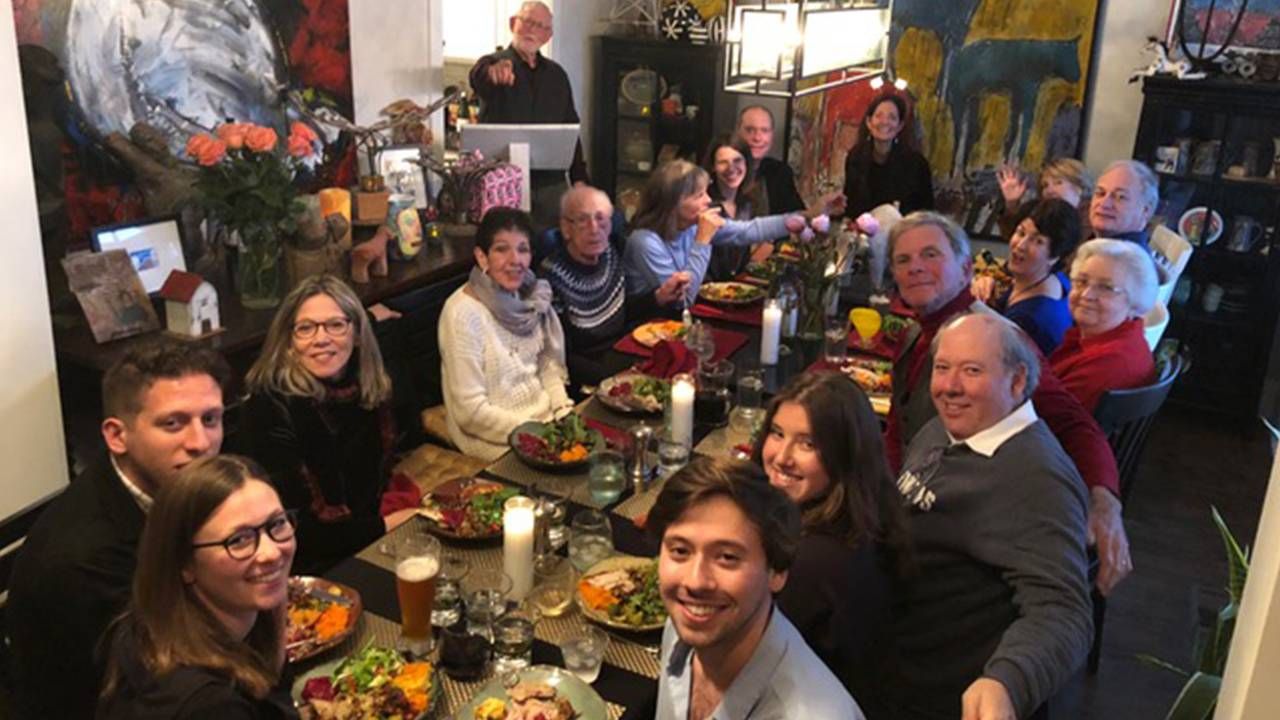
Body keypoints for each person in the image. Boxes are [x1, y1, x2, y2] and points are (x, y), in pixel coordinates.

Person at [884, 211, 1132, 597]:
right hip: (907, 501)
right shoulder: (916, 331)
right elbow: (899, 430)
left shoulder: (998, 340)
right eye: (903, 260)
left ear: (966, 268)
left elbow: (1072, 422)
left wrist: (1104, 502)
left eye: (930, 255)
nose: (915, 267)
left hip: (954, 539)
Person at [873, 313, 1091, 720]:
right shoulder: (948, 428)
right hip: (889, 644)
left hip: (932, 689)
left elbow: (1064, 612)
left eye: (972, 371)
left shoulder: (1036, 480)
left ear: (1018, 381)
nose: (950, 387)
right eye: (942, 368)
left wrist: (1006, 680)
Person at [7, 341, 228, 720]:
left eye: (210, 419)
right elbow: (161, 680)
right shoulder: (83, 560)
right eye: (172, 423)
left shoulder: (169, 483)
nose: (201, 443)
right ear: (116, 436)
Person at [649, 457, 866, 720]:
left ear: (777, 572)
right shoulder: (684, 626)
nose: (695, 582)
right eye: (680, 551)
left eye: (727, 557)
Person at [97, 455, 298, 719]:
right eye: (238, 540)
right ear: (184, 564)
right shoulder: (209, 706)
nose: (270, 552)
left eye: (277, 523)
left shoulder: (150, 625)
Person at [241, 275, 418, 573]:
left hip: (365, 542)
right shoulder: (269, 408)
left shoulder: (367, 389)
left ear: (357, 333)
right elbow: (294, 530)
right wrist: (387, 525)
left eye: (335, 325)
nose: (321, 338)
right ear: (288, 341)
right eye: (305, 328)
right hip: (303, 565)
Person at [751, 372, 909, 699]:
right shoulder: (867, 510)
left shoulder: (813, 561)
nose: (782, 457)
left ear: (844, 453)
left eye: (808, 444)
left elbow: (745, 658)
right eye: (777, 434)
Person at [440, 207, 572, 460]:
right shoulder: (462, 314)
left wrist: (563, 410)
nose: (515, 260)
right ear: (482, 257)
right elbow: (470, 413)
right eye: (502, 249)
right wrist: (534, 433)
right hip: (494, 441)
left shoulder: (530, 296)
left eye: (523, 249)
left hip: (545, 426)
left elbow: (546, 364)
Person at [540, 185, 684, 385]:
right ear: (566, 228)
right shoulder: (550, 279)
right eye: (582, 220)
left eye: (601, 219)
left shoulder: (611, 253)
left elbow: (619, 311)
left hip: (622, 351)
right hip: (590, 372)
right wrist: (613, 379)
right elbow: (562, 355)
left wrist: (658, 297)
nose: (594, 229)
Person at [625, 160, 805, 308]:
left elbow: (747, 230)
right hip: (647, 329)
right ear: (673, 205)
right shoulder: (645, 241)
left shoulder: (691, 225)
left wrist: (805, 218)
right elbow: (682, 302)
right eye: (699, 196)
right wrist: (702, 241)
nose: (709, 200)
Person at [468, 1, 587, 225]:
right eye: (528, 22)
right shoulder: (494, 63)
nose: (533, 30)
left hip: (551, 186)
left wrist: (579, 179)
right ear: (513, 23)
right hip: (502, 185)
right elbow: (478, 77)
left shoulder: (557, 75)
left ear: (548, 36)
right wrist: (492, 73)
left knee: (552, 246)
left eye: (541, 26)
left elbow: (570, 130)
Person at [1051, 239, 1160, 412]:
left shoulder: (1109, 363)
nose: (1086, 295)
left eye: (1106, 288)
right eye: (1082, 281)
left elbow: (1045, 419)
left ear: (1135, 300)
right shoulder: (1113, 338)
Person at [971, 198, 1081, 355]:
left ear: (1055, 255)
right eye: (1020, 232)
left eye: (1037, 241)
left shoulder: (1030, 318)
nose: (1020, 245)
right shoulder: (1054, 279)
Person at [842, 92, 934, 218]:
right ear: (869, 122)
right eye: (879, 116)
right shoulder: (856, 158)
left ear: (900, 126)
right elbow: (851, 207)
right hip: (863, 233)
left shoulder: (917, 164)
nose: (885, 122)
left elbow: (926, 213)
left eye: (892, 117)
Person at [703, 134, 767, 282]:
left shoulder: (749, 203)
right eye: (723, 162)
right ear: (713, 167)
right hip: (704, 294)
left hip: (735, 291)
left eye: (737, 160)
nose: (731, 168)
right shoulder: (704, 204)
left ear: (746, 164)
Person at [995, 157, 1093, 240]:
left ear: (1079, 186)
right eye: (1045, 185)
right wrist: (1012, 203)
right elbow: (1014, 236)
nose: (1049, 190)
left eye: (1058, 183)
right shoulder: (1044, 213)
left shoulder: (1094, 219)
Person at [736, 105, 805, 215]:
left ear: (772, 135)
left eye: (764, 130)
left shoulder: (780, 172)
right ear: (737, 132)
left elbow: (796, 216)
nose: (757, 138)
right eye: (750, 130)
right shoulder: (725, 170)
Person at [1089, 160, 1159, 248]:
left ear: (1145, 210)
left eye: (1120, 197)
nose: (1104, 204)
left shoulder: (1125, 260)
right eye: (1100, 193)